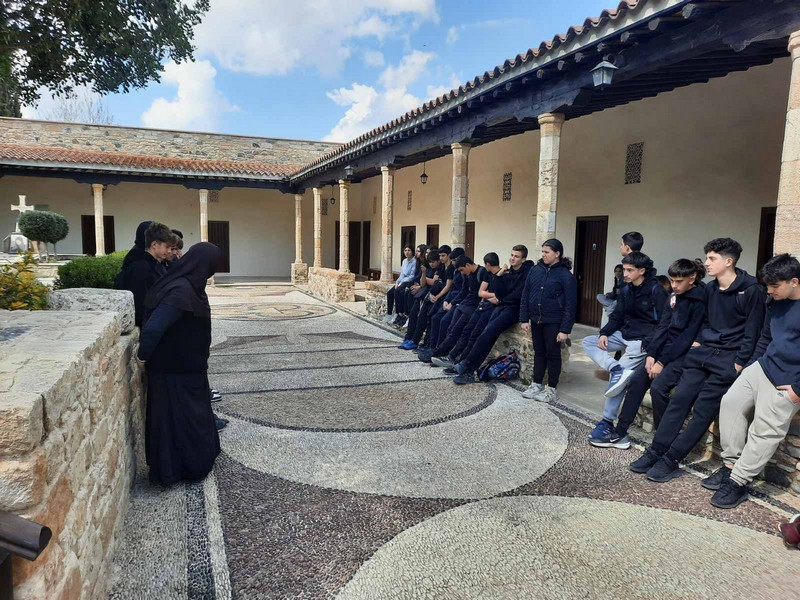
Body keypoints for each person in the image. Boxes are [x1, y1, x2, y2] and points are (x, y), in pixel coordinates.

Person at [631, 238, 766, 483]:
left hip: (729, 360)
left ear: (728, 261)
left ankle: (672, 459)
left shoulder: (751, 290)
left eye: (712, 258)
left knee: (703, 410)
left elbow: (753, 330)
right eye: (707, 257)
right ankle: (656, 450)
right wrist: (700, 342)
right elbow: (705, 321)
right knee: (679, 399)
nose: (706, 263)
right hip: (702, 354)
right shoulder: (710, 289)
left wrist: (739, 363)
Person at [702, 254, 800, 508]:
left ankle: (739, 481)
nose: (769, 291)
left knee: (765, 430)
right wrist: (750, 368)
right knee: (730, 404)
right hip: (763, 366)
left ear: (794, 282)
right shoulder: (775, 301)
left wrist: (798, 390)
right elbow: (766, 336)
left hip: (789, 380)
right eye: (767, 286)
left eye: (775, 286)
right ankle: (730, 466)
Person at [592, 259, 706, 449]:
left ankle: (663, 437)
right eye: (672, 281)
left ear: (692, 278)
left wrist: (661, 362)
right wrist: (652, 354)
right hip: (662, 351)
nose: (674, 285)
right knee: (637, 380)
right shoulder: (673, 296)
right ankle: (620, 431)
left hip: (682, 354)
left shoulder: (699, 300)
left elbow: (686, 337)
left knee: (658, 389)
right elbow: (662, 327)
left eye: (679, 281)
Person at [136, 242, 222, 486]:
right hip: (173, 370)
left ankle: (195, 462)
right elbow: (154, 328)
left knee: (189, 417)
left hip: (189, 368)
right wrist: (142, 357)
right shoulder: (181, 291)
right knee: (178, 422)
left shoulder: (189, 286)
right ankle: (180, 469)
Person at [582, 251, 669, 444]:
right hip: (624, 334)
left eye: (630, 270)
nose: (625, 273)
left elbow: (664, 323)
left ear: (641, 271)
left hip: (642, 341)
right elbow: (618, 317)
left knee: (618, 384)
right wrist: (604, 333)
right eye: (624, 269)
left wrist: (651, 345)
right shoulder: (626, 289)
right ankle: (615, 368)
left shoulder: (656, 290)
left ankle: (607, 421)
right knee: (588, 341)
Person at [452, 245, 534, 384]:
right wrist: (499, 276)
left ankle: (467, 365)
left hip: (514, 310)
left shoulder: (527, 273)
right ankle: (468, 368)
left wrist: (502, 299)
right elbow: (498, 292)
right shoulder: (508, 272)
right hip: (502, 306)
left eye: (516, 256)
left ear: (523, 259)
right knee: (485, 335)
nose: (513, 258)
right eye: (512, 255)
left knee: (488, 332)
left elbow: (518, 295)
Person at [519, 239, 577, 403]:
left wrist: (565, 329)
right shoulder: (535, 270)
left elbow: (570, 304)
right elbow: (526, 294)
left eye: (547, 252)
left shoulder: (566, 276)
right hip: (536, 319)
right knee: (539, 353)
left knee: (553, 354)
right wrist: (524, 318)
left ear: (557, 253)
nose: (543, 255)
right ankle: (536, 384)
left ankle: (551, 388)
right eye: (542, 252)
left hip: (554, 320)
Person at [433, 253, 505, 370]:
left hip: (478, 308)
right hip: (470, 305)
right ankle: (445, 354)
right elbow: (478, 292)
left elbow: (498, 295)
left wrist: (490, 296)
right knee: (454, 329)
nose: (462, 273)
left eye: (462, 270)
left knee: (468, 334)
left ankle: (456, 360)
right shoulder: (480, 274)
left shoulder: (485, 273)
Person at [422, 255, 483, 363]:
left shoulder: (481, 273)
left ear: (467, 265)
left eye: (462, 270)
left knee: (458, 330)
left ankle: (440, 354)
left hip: (473, 307)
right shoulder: (467, 274)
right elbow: (464, 291)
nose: (462, 272)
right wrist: (452, 302)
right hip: (463, 304)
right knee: (450, 328)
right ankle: (439, 352)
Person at [115, 221, 172, 327]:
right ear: (154, 244)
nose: (170, 251)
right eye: (167, 247)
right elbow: (140, 301)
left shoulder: (154, 263)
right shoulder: (141, 266)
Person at [398, 249, 441, 349]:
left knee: (421, 319)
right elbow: (423, 283)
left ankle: (415, 340)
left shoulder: (439, 270)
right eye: (430, 262)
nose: (431, 264)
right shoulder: (427, 268)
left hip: (429, 295)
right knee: (413, 315)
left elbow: (433, 282)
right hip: (421, 295)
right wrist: (424, 274)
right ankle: (408, 338)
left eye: (433, 262)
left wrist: (425, 280)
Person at [383, 245, 416, 324]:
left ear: (412, 251)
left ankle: (398, 313)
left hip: (408, 281)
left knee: (397, 291)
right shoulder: (404, 261)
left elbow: (412, 276)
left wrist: (402, 282)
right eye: (405, 250)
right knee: (390, 293)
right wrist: (397, 282)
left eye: (409, 250)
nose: (407, 252)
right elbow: (402, 274)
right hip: (402, 281)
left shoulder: (414, 261)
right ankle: (389, 313)